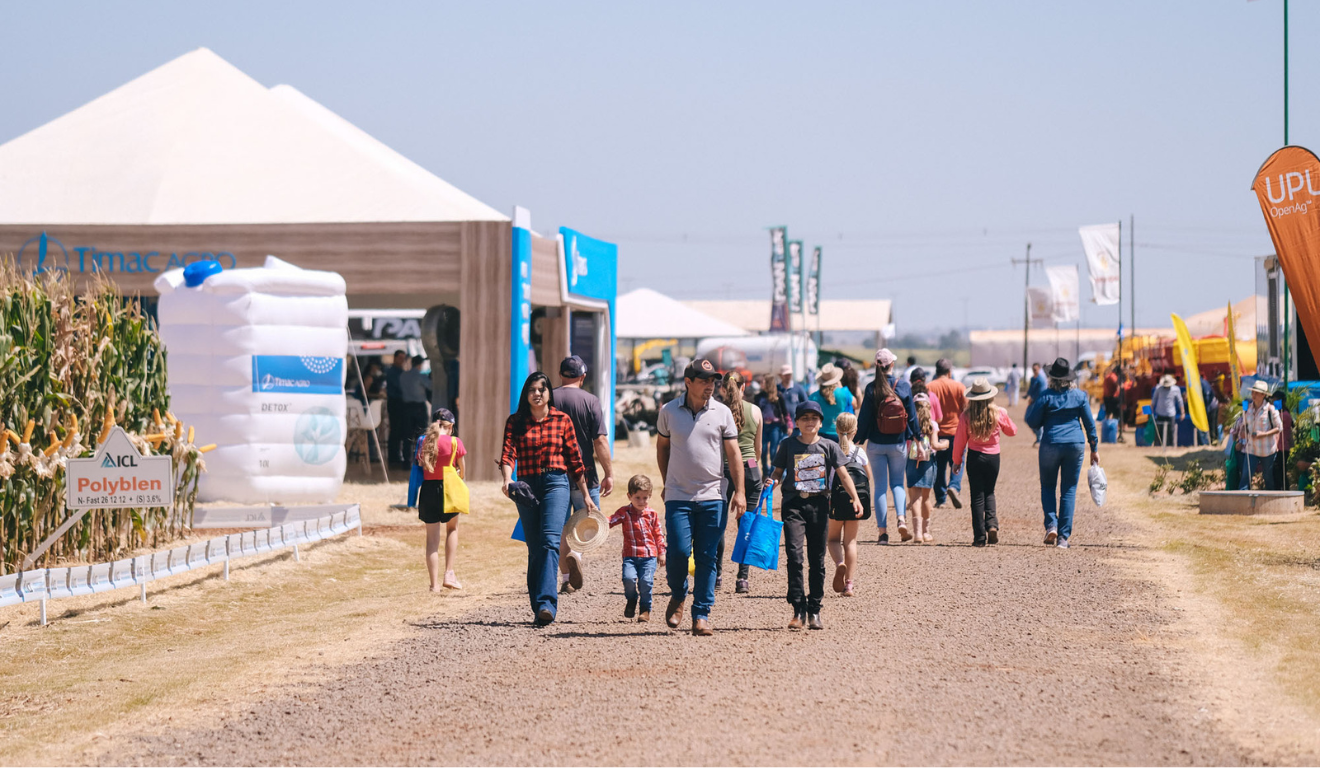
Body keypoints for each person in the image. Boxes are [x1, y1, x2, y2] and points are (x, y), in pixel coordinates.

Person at [656, 359, 746, 636]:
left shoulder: (722, 413)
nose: (710, 386)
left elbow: (733, 454)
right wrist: (666, 482)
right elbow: (662, 448)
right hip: (678, 495)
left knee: (707, 556)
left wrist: (740, 491)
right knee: (679, 552)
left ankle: (701, 614)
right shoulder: (668, 411)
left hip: (713, 494)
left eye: (713, 381)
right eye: (704, 380)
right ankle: (679, 594)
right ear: (688, 382)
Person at [500, 372, 597, 627]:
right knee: (534, 547)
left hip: (556, 483)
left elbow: (576, 461)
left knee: (550, 542)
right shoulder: (515, 421)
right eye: (532, 389)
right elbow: (508, 453)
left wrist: (585, 495)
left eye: (542, 389)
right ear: (526, 394)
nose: (538, 393)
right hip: (527, 486)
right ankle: (538, 606)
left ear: (548, 393)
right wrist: (507, 480)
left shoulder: (562, 420)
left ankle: (546, 603)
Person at [769, 401, 863, 630]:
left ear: (821, 422)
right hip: (793, 505)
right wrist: (768, 487)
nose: (809, 422)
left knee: (817, 560)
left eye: (814, 418)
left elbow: (843, 474)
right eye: (804, 418)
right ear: (797, 422)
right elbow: (777, 473)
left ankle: (815, 610)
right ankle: (798, 610)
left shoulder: (829, 446)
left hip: (820, 506)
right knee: (794, 556)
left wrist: (856, 497)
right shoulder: (787, 445)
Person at [552, 355, 615, 594]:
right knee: (588, 522)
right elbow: (599, 440)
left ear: (560, 375)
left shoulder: (550, 399)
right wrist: (609, 473)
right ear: (583, 377)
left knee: (559, 528)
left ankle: (567, 577)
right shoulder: (590, 401)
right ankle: (576, 554)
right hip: (585, 474)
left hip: (554, 474)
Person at [1024, 358, 1099, 550]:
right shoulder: (1080, 396)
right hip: (1075, 444)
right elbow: (1090, 424)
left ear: (1052, 378)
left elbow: (1032, 420)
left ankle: (1051, 525)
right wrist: (1094, 449)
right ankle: (1064, 538)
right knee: (1069, 489)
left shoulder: (1046, 395)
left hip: (1051, 443)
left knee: (1048, 486)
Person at [855, 348, 918, 544]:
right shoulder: (903, 387)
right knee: (898, 483)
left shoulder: (872, 388)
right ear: (892, 365)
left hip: (875, 444)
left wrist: (857, 439)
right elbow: (913, 417)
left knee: (880, 487)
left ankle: (882, 533)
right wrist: (918, 436)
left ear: (876, 366)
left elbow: (864, 418)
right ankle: (901, 519)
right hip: (898, 443)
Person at [951, 380, 1018, 547]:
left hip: (975, 456)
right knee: (990, 492)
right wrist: (1005, 416)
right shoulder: (999, 413)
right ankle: (992, 525)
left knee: (977, 496)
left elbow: (959, 441)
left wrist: (956, 461)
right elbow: (1012, 431)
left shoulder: (966, 415)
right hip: (993, 457)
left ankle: (979, 537)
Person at [714, 371, 762, 593]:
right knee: (747, 524)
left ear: (722, 388)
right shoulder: (756, 411)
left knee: (718, 525)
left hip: (723, 469)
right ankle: (742, 578)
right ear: (744, 387)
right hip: (750, 469)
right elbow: (759, 450)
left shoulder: (716, 411)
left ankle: (717, 575)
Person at [417, 408, 464, 591]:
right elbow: (462, 469)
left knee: (431, 540)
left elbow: (420, 466)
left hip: (428, 490)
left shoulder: (424, 441)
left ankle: (433, 585)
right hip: (449, 488)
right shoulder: (455, 442)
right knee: (452, 529)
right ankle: (449, 573)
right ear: (451, 427)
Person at [608, 475, 666, 622]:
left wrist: (662, 553)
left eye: (645, 498)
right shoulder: (624, 512)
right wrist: (598, 523)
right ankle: (631, 599)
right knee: (628, 579)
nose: (641, 501)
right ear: (629, 496)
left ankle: (645, 609)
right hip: (630, 556)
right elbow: (610, 521)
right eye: (637, 497)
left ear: (650, 496)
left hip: (649, 556)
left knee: (646, 582)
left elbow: (658, 534)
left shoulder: (652, 514)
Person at [828, 413, 871, 597]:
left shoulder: (831, 450)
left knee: (832, 539)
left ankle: (839, 564)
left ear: (836, 429)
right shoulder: (860, 452)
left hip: (835, 501)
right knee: (851, 542)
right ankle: (849, 585)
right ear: (855, 431)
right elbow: (868, 477)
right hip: (855, 502)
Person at [905, 393, 947, 543]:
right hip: (928, 463)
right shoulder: (933, 424)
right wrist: (945, 444)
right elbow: (935, 445)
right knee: (926, 498)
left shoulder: (910, 424)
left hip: (912, 461)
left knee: (915, 498)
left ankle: (917, 534)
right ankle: (925, 532)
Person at [927, 359, 967, 510]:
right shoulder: (959, 387)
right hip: (956, 432)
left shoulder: (929, 387)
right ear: (950, 372)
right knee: (957, 462)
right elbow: (966, 408)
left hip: (936, 433)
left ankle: (941, 499)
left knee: (938, 466)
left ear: (936, 371)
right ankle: (954, 487)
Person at [1235, 380, 1283, 490]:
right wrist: (1243, 432)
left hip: (1267, 450)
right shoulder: (1248, 409)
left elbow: (1279, 427)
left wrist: (1264, 434)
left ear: (1263, 395)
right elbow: (1245, 425)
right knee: (1245, 477)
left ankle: (1270, 502)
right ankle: (1242, 501)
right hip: (1251, 449)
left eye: (1256, 393)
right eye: (1253, 392)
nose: (1253, 395)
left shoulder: (1271, 409)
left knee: (1268, 477)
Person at [399, 355, 432, 466]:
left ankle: (406, 461)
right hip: (419, 407)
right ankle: (420, 460)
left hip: (406, 407)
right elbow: (431, 386)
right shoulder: (420, 376)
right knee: (421, 435)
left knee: (407, 435)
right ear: (420, 365)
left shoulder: (403, 376)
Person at [809, 363, 854, 442]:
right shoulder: (844, 392)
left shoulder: (813, 396)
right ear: (836, 379)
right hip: (840, 433)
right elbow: (856, 404)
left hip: (820, 433)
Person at [755, 373, 789, 461]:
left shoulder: (778, 396)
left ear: (768, 383)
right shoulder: (759, 396)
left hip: (775, 426)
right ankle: (765, 472)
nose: (761, 384)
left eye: (763, 382)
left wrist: (789, 425)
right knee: (763, 449)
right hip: (762, 426)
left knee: (774, 450)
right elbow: (755, 411)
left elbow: (785, 412)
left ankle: (773, 472)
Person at [384, 350, 408, 465]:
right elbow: (399, 387)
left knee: (401, 430)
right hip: (395, 402)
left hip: (402, 403)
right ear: (395, 358)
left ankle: (398, 455)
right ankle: (393, 458)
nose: (401, 361)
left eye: (403, 358)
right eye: (400, 358)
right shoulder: (392, 372)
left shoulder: (401, 371)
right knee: (395, 430)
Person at [1151, 374, 1185, 447]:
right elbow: (1154, 400)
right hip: (1160, 413)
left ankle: (1171, 446)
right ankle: (1157, 446)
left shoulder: (1176, 389)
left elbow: (1180, 401)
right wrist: (1151, 411)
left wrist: (1182, 413)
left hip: (1170, 413)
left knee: (1171, 432)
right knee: (1159, 432)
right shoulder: (1158, 389)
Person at [1026, 362, 1048, 446]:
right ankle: (1038, 436)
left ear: (1039, 369)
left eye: (1035, 369)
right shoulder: (1033, 379)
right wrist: (1027, 395)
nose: (1034, 371)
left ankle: (1040, 438)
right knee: (1027, 419)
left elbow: (1041, 392)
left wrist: (1033, 398)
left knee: (1037, 420)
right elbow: (1031, 389)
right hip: (1032, 402)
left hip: (1038, 402)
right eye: (1033, 369)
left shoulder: (1041, 379)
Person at [1102, 364, 1124, 441]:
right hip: (1111, 398)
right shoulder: (1113, 377)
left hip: (1107, 397)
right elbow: (1118, 386)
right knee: (1116, 413)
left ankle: (1109, 428)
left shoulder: (1109, 375)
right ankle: (1114, 428)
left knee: (1108, 413)